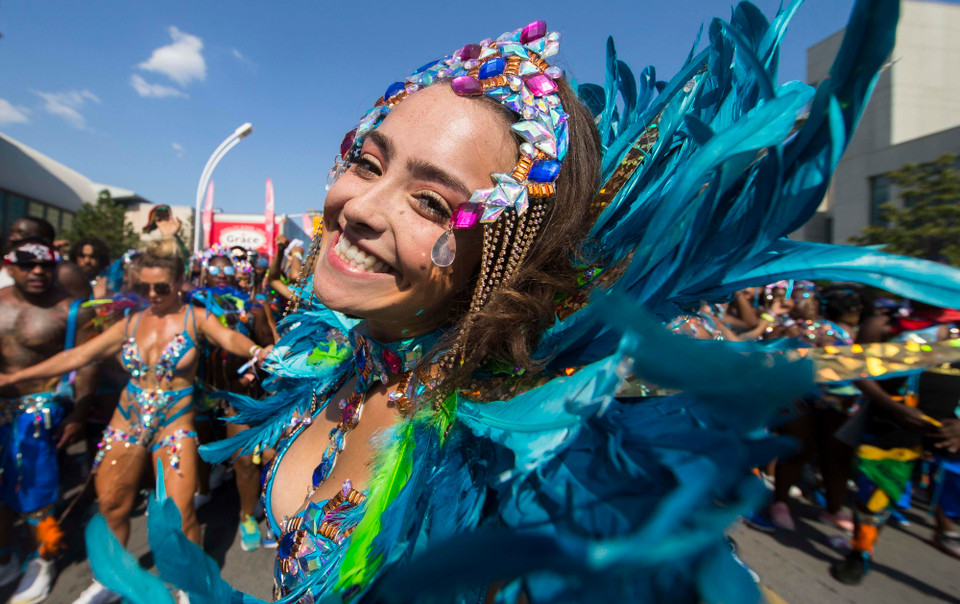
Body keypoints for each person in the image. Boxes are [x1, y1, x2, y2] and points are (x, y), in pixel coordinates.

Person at [85, 5, 960, 603]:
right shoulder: (325, 352)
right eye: (368, 157)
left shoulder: (542, 471)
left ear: (499, 251)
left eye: (432, 203)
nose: (361, 206)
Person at [0, 238, 272, 604]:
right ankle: (114, 577)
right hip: (127, 419)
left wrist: (256, 350)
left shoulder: (196, 317)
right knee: (112, 504)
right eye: (143, 287)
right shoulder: (130, 323)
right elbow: (77, 356)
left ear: (178, 280)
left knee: (179, 514)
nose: (152, 294)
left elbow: (230, 338)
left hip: (175, 421)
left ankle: (190, 584)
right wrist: (15, 379)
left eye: (161, 286)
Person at [0, 238, 97, 603]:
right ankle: (6, 555)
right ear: (10, 267)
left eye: (46, 264)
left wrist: (78, 412)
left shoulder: (72, 311)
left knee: (35, 489)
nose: (38, 271)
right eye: (27, 264)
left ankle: (43, 557)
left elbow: (86, 363)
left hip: (38, 413)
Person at [189, 250, 277, 552]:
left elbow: (269, 346)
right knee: (196, 445)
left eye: (227, 269)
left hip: (239, 394)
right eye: (215, 269)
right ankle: (203, 486)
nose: (222, 274)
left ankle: (245, 516)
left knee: (244, 459)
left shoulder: (252, 307)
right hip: (197, 392)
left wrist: (256, 369)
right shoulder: (190, 306)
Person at [0, 217, 91, 299]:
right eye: (11, 233)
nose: (12, 238)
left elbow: (84, 312)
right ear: (10, 270)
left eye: (21, 233)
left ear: (44, 239)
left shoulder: (65, 272)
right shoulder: (4, 265)